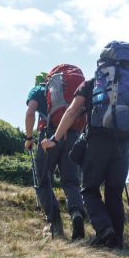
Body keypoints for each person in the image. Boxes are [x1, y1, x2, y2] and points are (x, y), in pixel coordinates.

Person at [42, 42, 129, 250]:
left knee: (89, 190)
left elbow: (71, 112)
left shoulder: (91, 84)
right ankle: (117, 241)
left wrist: (55, 139)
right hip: (124, 143)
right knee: (114, 192)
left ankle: (105, 232)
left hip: (97, 142)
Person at [25, 69, 86, 240]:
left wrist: (29, 138)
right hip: (73, 135)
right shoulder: (70, 90)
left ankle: (55, 224)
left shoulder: (37, 90)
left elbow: (30, 113)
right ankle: (76, 213)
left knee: (44, 180)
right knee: (72, 181)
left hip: (48, 137)